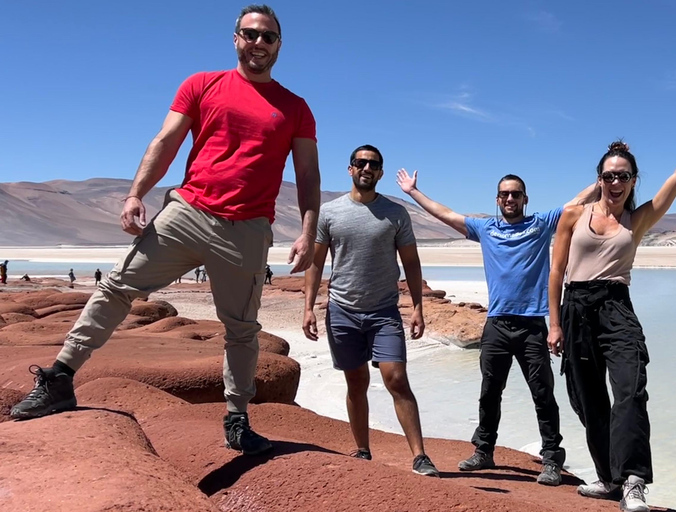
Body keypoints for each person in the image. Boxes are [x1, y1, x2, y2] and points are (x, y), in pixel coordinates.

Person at [11, 4, 321, 459]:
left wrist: (308, 232)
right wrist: (136, 193)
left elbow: (309, 175)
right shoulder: (202, 84)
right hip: (188, 211)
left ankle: (237, 418)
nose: (258, 43)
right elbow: (166, 141)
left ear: (279, 45)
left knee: (241, 329)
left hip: (247, 228)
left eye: (268, 37)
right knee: (117, 287)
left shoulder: (295, 107)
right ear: (235, 38)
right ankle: (59, 378)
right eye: (250, 34)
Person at [547, 97, 676, 512]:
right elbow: (556, 272)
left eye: (624, 176)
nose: (616, 183)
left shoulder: (638, 221)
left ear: (634, 181)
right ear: (599, 178)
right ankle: (608, 479)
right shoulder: (570, 215)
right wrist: (554, 323)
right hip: (575, 308)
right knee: (587, 400)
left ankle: (634, 481)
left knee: (630, 392)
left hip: (617, 308)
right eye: (609, 176)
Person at [397, 170, 596, 485]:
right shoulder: (485, 228)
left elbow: (578, 201)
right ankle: (484, 449)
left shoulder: (541, 224)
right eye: (504, 194)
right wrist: (413, 192)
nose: (510, 199)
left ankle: (552, 459)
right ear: (497, 199)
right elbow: (445, 214)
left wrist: (605, 178)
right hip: (497, 324)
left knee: (542, 393)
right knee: (490, 391)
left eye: (516, 194)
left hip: (532, 325)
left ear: (525, 199)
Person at [304, 144, 439, 477]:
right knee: (356, 382)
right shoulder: (330, 213)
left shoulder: (396, 213)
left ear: (380, 173)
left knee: (396, 379)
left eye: (373, 164)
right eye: (360, 163)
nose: (367, 168)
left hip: (384, 312)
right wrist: (307, 307)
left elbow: (411, 262)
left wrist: (418, 307)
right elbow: (317, 262)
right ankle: (362, 450)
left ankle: (420, 456)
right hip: (342, 311)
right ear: (350, 169)